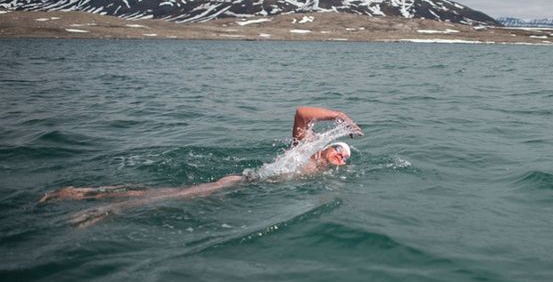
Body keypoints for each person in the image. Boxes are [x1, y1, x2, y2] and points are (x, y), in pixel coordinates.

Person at [38, 107, 362, 226]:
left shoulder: (325, 175)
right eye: (339, 149)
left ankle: (81, 194)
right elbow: (302, 112)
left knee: (173, 193)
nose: (341, 157)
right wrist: (339, 116)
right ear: (327, 146)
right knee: (176, 197)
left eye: (345, 157)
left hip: (252, 191)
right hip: (241, 183)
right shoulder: (304, 150)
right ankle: (104, 210)